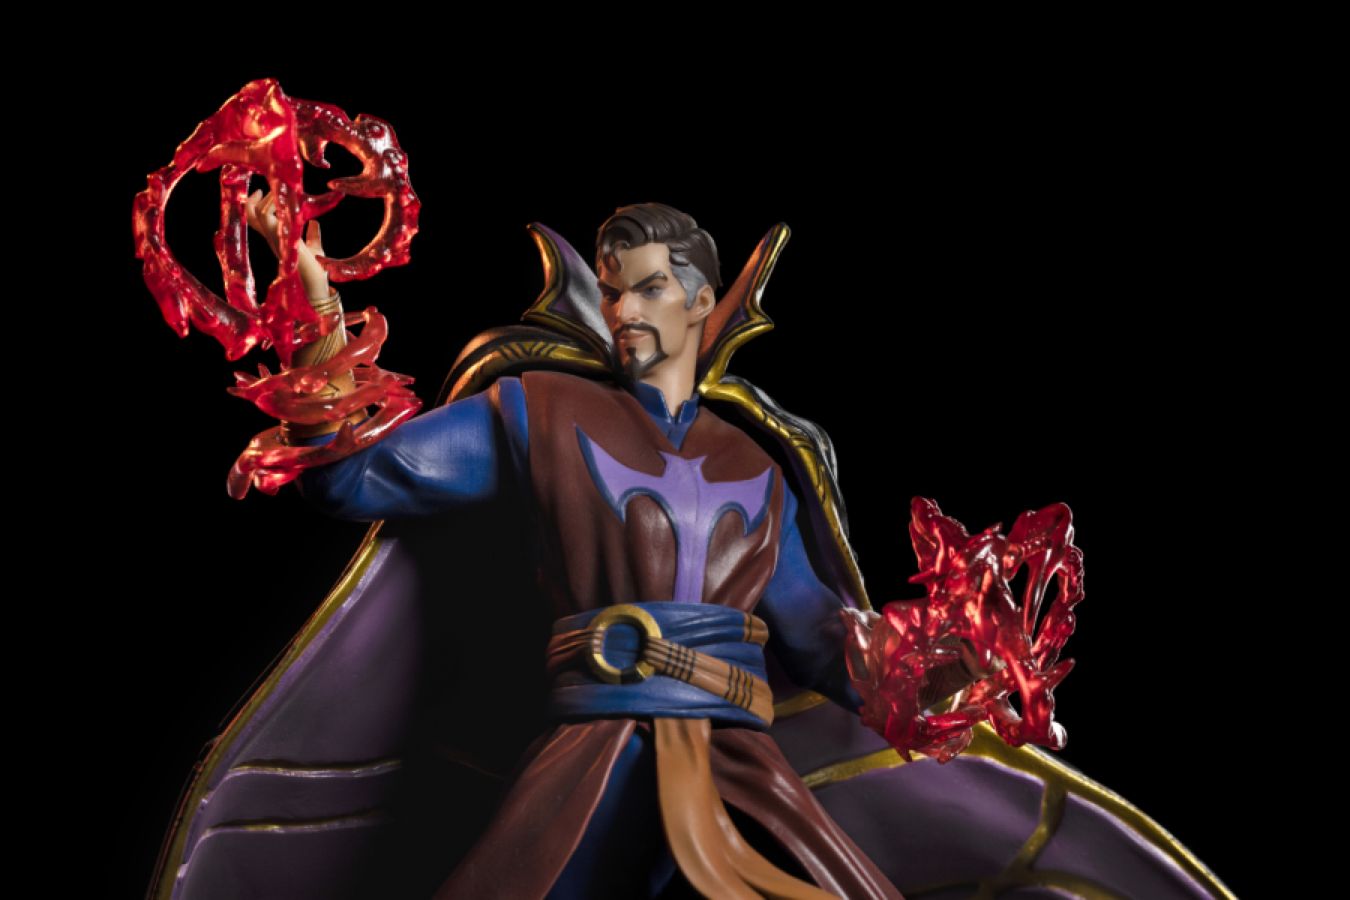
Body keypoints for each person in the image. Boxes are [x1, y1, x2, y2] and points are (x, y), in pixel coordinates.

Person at [148, 201, 1233, 900]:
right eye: (613, 287)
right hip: (589, 747)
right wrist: (315, 316)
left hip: (737, 761)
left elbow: (817, 639)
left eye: (650, 286)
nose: (625, 307)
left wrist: (937, 670)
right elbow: (360, 480)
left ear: (705, 300)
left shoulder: (760, 464)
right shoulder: (538, 412)